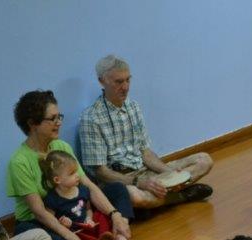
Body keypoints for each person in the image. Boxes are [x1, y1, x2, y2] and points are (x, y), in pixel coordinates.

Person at [7, 90, 133, 240]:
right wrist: (71, 238)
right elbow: (40, 212)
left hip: (74, 209)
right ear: (32, 123)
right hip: (44, 219)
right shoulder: (19, 161)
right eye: (52, 119)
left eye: (59, 117)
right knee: (43, 235)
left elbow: (87, 185)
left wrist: (115, 214)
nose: (59, 122)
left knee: (118, 189)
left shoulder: (62, 146)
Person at [79, 55, 213, 213]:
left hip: (145, 172)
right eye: (119, 82)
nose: (125, 87)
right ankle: (182, 196)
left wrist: (169, 173)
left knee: (204, 160)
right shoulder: (91, 118)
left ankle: (157, 200)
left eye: (128, 80)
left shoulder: (133, 107)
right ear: (102, 81)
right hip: (121, 180)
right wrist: (139, 182)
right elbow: (101, 172)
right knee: (134, 196)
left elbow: (145, 152)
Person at [39, 151, 133, 240]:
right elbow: (51, 223)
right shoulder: (51, 199)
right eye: (72, 173)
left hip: (87, 225)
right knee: (68, 237)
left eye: (76, 171)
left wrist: (89, 218)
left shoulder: (83, 190)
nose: (77, 175)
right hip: (75, 232)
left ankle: (109, 239)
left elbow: (88, 209)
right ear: (57, 180)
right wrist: (64, 224)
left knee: (101, 214)